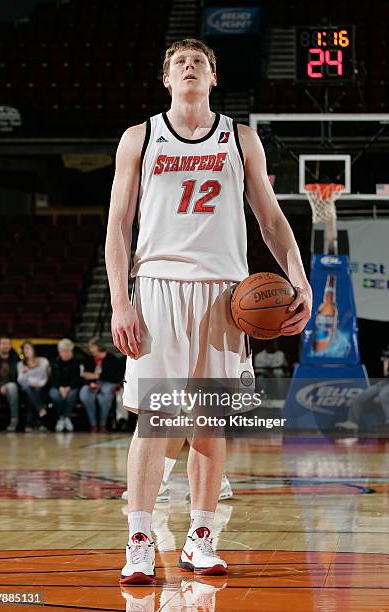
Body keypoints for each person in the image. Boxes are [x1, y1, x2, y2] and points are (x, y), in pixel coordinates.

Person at [105, 38, 312, 584]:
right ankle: (140, 540)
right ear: (166, 79)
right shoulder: (140, 137)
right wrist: (120, 300)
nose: (189, 67)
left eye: (199, 62)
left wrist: (300, 280)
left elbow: (270, 219)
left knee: (208, 421)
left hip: (224, 292)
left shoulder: (240, 139)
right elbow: (118, 225)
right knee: (158, 420)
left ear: (214, 78)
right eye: (178, 62)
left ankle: (200, 536)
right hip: (157, 286)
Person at [336, 346, 389, 432]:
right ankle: (352, 422)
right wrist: (386, 361)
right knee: (360, 397)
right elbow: (385, 373)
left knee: (384, 393)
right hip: (385, 382)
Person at [79, 337, 125, 432]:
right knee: (85, 395)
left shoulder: (113, 359)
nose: (90, 349)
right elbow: (84, 375)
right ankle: (93, 424)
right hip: (92, 384)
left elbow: (115, 377)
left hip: (108, 383)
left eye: (92, 347)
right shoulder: (89, 359)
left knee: (103, 398)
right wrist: (93, 380)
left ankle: (103, 424)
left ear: (98, 347)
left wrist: (97, 376)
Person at [17, 340, 50, 432]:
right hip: (26, 387)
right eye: (24, 349)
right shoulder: (20, 364)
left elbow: (45, 377)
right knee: (29, 389)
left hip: (41, 386)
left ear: (33, 349)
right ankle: (40, 410)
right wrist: (24, 373)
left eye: (28, 348)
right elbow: (20, 380)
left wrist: (38, 384)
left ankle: (29, 424)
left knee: (33, 395)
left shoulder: (43, 361)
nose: (26, 350)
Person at [49, 338, 81, 433]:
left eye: (68, 351)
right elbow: (52, 378)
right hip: (57, 387)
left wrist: (68, 388)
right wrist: (60, 388)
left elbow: (77, 378)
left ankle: (66, 416)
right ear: (60, 352)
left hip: (71, 387)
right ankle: (61, 417)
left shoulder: (76, 362)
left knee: (71, 396)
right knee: (55, 396)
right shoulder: (54, 362)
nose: (66, 353)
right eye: (64, 351)